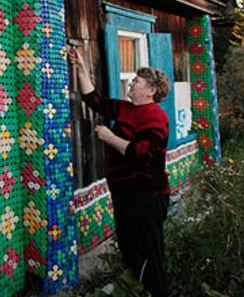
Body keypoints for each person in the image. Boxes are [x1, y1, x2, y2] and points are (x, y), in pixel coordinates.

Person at [70, 47, 172, 297]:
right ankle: (137, 289)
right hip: (126, 194)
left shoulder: (155, 117)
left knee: (148, 251)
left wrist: (110, 137)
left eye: (137, 80)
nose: (131, 82)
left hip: (147, 196)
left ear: (151, 90)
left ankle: (156, 292)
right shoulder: (128, 109)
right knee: (130, 247)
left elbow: (142, 155)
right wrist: (80, 67)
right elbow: (95, 100)